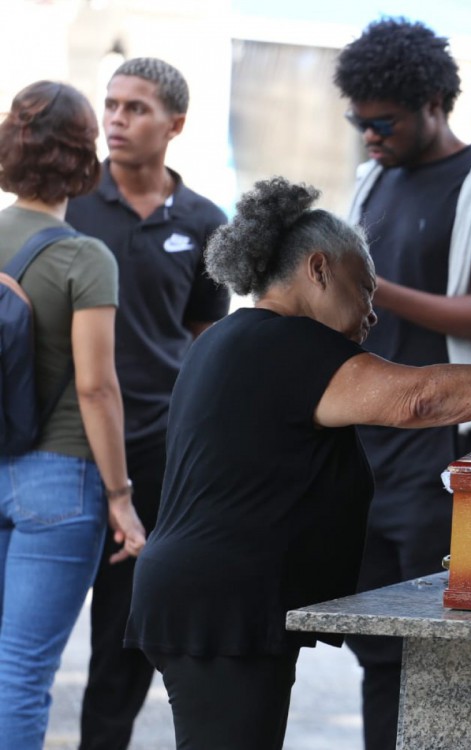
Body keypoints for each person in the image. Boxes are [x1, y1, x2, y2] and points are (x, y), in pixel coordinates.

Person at [123, 177, 471, 750]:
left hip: (206, 596)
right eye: (364, 289)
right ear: (318, 269)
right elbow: (416, 399)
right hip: (221, 606)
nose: (372, 313)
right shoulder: (288, 344)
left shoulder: (226, 340)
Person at [332, 18, 471, 749]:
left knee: (441, 650)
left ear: (432, 103)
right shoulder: (373, 180)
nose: (369, 136)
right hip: (370, 447)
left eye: (382, 122)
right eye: (358, 122)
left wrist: (374, 287)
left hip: (445, 452)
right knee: (378, 646)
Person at [63, 57, 230, 750]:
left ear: (175, 124)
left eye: (135, 108)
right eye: (111, 105)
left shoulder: (205, 221)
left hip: (159, 452)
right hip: (65, 442)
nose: (116, 119)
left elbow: (207, 341)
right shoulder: (70, 201)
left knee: (125, 636)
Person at [0, 80, 145, 750]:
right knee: (21, 671)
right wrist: (120, 496)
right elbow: (96, 388)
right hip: (61, 481)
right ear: (85, 157)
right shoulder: (85, 257)